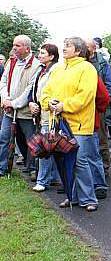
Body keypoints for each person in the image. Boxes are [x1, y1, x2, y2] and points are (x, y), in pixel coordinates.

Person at [41, 36, 98, 212]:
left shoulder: (87, 68)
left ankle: (89, 199)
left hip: (79, 124)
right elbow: (45, 92)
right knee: (63, 160)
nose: (64, 48)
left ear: (79, 51)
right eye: (64, 45)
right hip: (58, 122)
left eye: (68, 46)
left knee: (79, 160)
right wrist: (48, 102)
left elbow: (85, 95)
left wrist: (64, 106)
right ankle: (71, 196)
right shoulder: (58, 69)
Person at [0, 35, 40, 179]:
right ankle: (2, 168)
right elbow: (3, 81)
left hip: (26, 112)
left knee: (30, 141)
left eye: (17, 46)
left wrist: (14, 103)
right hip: (9, 111)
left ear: (27, 48)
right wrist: (6, 99)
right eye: (14, 45)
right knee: (4, 137)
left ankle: (32, 169)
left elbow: (30, 90)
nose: (14, 48)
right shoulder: (11, 63)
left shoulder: (36, 65)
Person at [28, 44, 62, 192]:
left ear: (52, 56)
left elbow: (52, 92)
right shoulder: (41, 70)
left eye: (43, 53)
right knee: (49, 147)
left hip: (50, 115)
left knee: (45, 149)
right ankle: (54, 177)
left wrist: (44, 104)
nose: (39, 55)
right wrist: (32, 103)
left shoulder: (56, 70)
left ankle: (42, 180)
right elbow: (35, 89)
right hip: (41, 113)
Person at [86, 39, 111, 183]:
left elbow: (110, 86)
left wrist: (101, 106)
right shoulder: (81, 62)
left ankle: (104, 169)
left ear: (93, 49)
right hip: (82, 107)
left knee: (101, 139)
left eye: (86, 47)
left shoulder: (103, 64)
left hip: (99, 107)